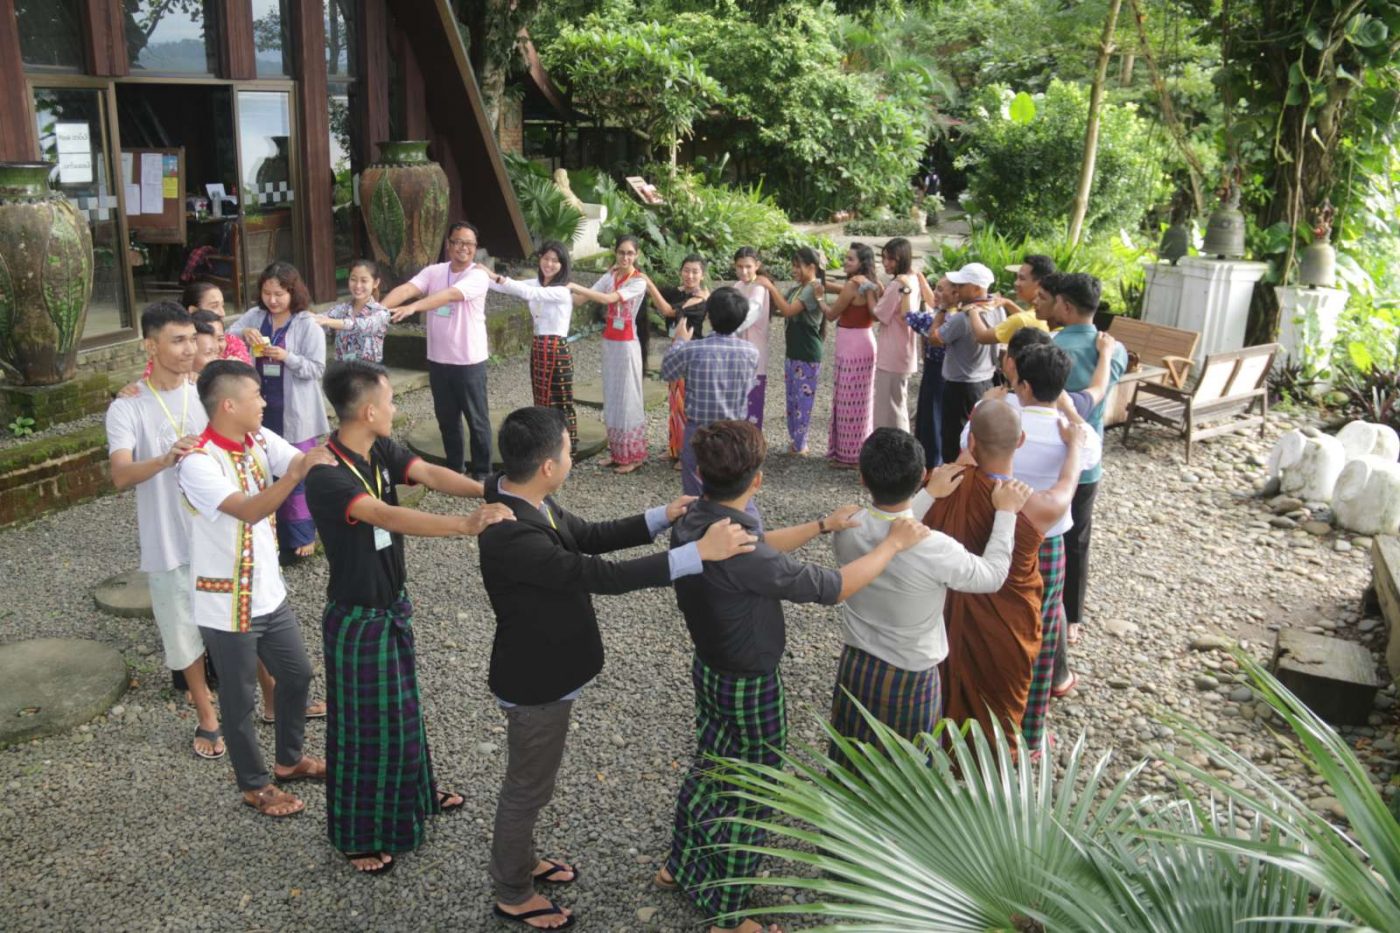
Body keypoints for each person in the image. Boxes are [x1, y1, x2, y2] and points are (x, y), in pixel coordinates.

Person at [478, 406, 757, 929]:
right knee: (527, 787)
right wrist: (697, 552)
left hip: (547, 670)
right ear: (546, 466)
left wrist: (662, 516)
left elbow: (588, 534)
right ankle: (512, 890)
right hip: (534, 682)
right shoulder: (511, 534)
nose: (570, 453)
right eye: (566, 446)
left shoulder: (521, 497)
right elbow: (601, 574)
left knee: (534, 782)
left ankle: (523, 860)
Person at [658, 419, 931, 933]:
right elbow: (835, 586)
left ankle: (679, 864)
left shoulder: (701, 521)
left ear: (700, 475)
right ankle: (731, 913)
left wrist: (822, 526)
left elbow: (764, 542)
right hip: (749, 682)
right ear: (757, 480)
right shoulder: (743, 553)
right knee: (754, 789)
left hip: (711, 668)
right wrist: (892, 545)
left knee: (711, 764)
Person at [305, 361, 515, 875]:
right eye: (391, 400)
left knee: (402, 714)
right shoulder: (326, 474)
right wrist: (463, 526)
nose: (396, 409)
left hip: (390, 606)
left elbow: (428, 474)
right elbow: (385, 515)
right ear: (370, 409)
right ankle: (357, 835)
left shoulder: (376, 447)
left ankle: (415, 796)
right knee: (362, 730)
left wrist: (493, 490)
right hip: (357, 619)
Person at [177, 360, 337, 818]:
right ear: (229, 404)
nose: (265, 402)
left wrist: (329, 456)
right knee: (239, 697)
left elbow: (301, 460)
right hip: (225, 601)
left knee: (298, 674)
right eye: (256, 396)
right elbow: (247, 510)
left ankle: (288, 761)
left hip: (269, 592)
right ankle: (254, 783)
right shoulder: (197, 462)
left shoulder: (259, 440)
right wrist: (291, 477)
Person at [829, 428, 1028, 761]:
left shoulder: (846, 526)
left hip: (857, 662)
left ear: (862, 477)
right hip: (911, 672)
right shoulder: (935, 548)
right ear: (922, 474)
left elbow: (888, 529)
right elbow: (992, 576)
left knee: (852, 759)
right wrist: (1006, 512)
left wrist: (929, 495)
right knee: (908, 769)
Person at [923, 399, 1083, 757]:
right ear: (1021, 440)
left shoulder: (943, 485)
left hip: (946, 619)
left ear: (972, 443)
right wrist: (1074, 444)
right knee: (997, 714)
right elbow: (1068, 483)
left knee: (945, 691)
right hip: (1004, 634)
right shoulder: (1036, 505)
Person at [106, 302, 220, 760]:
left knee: (238, 618)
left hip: (216, 529)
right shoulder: (126, 407)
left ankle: (271, 700)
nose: (188, 348)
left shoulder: (208, 391)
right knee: (181, 631)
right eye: (177, 340)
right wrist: (164, 459)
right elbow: (119, 475)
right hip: (168, 538)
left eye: (192, 338)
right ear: (150, 346)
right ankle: (207, 716)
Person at [1048, 273, 1129, 692]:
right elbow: (1103, 389)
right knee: (1080, 536)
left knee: (1050, 533)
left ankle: (1049, 610)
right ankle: (1073, 616)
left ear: (1064, 305)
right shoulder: (1114, 350)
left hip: (1052, 454)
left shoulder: (1052, 347)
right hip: (1090, 456)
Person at [226, 262, 330, 562]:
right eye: (268, 293)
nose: (273, 300)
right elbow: (228, 337)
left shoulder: (306, 323)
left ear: (293, 293)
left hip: (295, 411)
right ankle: (270, 534)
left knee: (297, 472)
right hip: (260, 407)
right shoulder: (256, 317)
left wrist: (288, 357)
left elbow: (316, 368)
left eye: (280, 294)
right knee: (265, 471)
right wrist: (244, 334)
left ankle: (302, 537)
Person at [383, 222, 493, 481]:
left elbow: (450, 296)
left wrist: (413, 308)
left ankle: (482, 471)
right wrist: (377, 308)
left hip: (469, 361)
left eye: (468, 244)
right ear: (448, 244)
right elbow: (408, 288)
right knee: (446, 418)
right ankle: (455, 468)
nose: (462, 248)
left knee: (477, 420)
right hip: (438, 360)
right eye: (457, 242)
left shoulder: (478, 276)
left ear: (475, 248)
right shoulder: (435, 271)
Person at [659, 287, 760, 502]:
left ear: (708, 316)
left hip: (700, 429)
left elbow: (668, 372)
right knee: (732, 486)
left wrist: (679, 341)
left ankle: (698, 526)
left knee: (694, 489)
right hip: (734, 431)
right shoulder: (751, 352)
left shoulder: (693, 349)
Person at [488, 241, 581, 453]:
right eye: (546, 258)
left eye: (555, 261)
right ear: (539, 259)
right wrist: (479, 274)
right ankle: (546, 444)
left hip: (556, 348)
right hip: (539, 346)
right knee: (541, 399)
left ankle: (569, 448)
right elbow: (507, 286)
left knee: (561, 400)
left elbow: (526, 293)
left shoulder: (562, 290)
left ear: (563, 264)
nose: (549, 264)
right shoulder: (536, 283)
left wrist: (495, 276)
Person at [567, 236, 649, 474]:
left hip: (627, 346)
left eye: (630, 254)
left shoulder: (638, 281)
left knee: (628, 399)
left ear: (637, 255)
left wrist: (573, 285)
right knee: (612, 397)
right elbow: (580, 300)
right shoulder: (611, 276)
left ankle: (634, 456)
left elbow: (607, 299)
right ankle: (617, 452)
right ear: (615, 253)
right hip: (610, 343)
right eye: (621, 253)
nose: (625, 258)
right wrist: (552, 293)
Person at [756, 247, 826, 455]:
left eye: (798, 266)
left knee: (802, 402)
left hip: (807, 353)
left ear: (811, 267)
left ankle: (801, 444)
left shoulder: (812, 288)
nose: (793, 270)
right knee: (793, 400)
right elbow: (780, 306)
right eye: (793, 265)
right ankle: (795, 440)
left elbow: (787, 310)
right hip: (794, 352)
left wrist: (769, 286)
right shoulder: (800, 287)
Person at [932, 262, 1004, 466]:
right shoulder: (998, 310)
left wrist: (941, 310)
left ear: (975, 289)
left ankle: (953, 486)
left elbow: (935, 338)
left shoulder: (962, 318)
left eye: (960, 285)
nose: (956, 289)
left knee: (954, 441)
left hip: (960, 387)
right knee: (977, 439)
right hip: (987, 382)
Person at [645, 254, 710, 468]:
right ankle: (674, 447)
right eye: (686, 270)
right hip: (676, 350)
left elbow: (668, 311)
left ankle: (687, 452)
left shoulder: (699, 298)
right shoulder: (681, 292)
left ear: (702, 275)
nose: (690, 275)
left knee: (685, 404)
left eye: (695, 272)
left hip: (691, 353)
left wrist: (647, 282)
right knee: (674, 401)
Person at [824, 244, 882, 468]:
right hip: (867, 340)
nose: (846, 262)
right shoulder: (874, 284)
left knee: (847, 400)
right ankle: (859, 450)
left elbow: (831, 314)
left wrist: (819, 297)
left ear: (861, 263)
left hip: (850, 344)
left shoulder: (852, 285)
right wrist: (830, 285)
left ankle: (848, 456)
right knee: (863, 400)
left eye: (850, 259)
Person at [870, 238, 921, 432]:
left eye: (891, 259)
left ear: (902, 259)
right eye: (884, 258)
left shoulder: (897, 284)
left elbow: (879, 314)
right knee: (897, 403)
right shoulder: (912, 279)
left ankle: (894, 452)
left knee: (888, 410)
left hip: (892, 353)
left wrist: (871, 295)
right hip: (904, 351)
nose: (886, 263)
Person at [906, 274, 954, 468]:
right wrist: (920, 279)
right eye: (936, 287)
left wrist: (906, 291)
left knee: (932, 420)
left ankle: (931, 466)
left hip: (938, 374)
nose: (936, 292)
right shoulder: (952, 314)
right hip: (940, 373)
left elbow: (910, 316)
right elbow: (932, 301)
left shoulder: (943, 319)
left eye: (942, 289)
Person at [968, 254, 1056, 346]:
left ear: (1039, 283)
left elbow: (982, 337)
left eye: (1022, 278)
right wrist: (1008, 303)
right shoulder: (1045, 313)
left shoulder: (1020, 320)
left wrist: (972, 311)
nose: (1016, 283)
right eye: (1016, 277)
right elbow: (1027, 318)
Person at [729, 247, 773, 428]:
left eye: (748, 266)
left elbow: (749, 314)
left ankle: (752, 450)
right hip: (737, 353)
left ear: (757, 266)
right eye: (740, 266)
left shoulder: (759, 288)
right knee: (737, 407)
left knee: (752, 409)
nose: (744, 271)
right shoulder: (737, 286)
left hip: (754, 355)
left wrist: (724, 329)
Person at [314, 259, 390, 363]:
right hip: (342, 370)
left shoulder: (381, 313)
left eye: (364, 281)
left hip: (368, 372)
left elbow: (361, 326)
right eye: (353, 279)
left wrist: (328, 321)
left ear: (376, 283)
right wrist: (309, 317)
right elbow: (319, 320)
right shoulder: (341, 309)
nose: (358, 285)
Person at [183, 282, 251, 362]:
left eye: (222, 305)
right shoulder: (183, 349)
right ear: (193, 310)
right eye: (214, 306)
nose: (223, 313)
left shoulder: (233, 346)